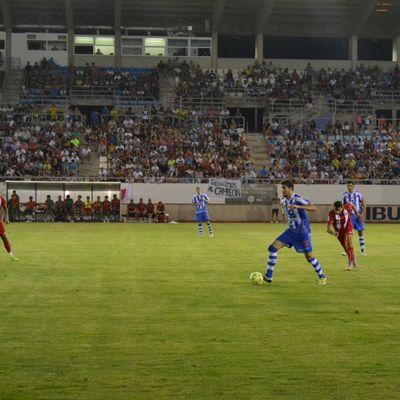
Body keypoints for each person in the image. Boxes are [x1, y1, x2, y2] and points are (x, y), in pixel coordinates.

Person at [264, 179, 327, 285]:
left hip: (303, 232)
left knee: (310, 257)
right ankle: (268, 276)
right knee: (272, 248)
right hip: (291, 231)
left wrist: (298, 206)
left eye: (284, 188)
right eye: (281, 188)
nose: (282, 190)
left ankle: (322, 277)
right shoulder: (284, 201)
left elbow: (314, 207)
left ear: (290, 188)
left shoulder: (297, 199)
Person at [327, 200, 360, 271]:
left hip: (348, 227)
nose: (337, 211)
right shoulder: (331, 214)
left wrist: (357, 214)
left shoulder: (347, 207)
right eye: (335, 209)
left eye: (338, 210)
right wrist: (334, 233)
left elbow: (352, 204)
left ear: (342, 207)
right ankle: (353, 258)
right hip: (339, 232)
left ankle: (350, 263)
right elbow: (328, 229)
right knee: (346, 247)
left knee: (349, 242)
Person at [342, 181, 367, 255]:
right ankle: (347, 251)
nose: (349, 187)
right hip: (349, 216)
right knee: (348, 233)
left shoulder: (358, 194)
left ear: (353, 186)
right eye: (348, 186)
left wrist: (362, 214)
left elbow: (364, 204)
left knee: (360, 232)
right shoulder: (344, 195)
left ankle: (362, 251)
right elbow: (342, 207)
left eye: (350, 185)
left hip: (357, 216)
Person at [0, 194, 18, 260]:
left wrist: (7, 218)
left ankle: (11, 255)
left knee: (4, 238)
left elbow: (5, 209)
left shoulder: (1, 199)